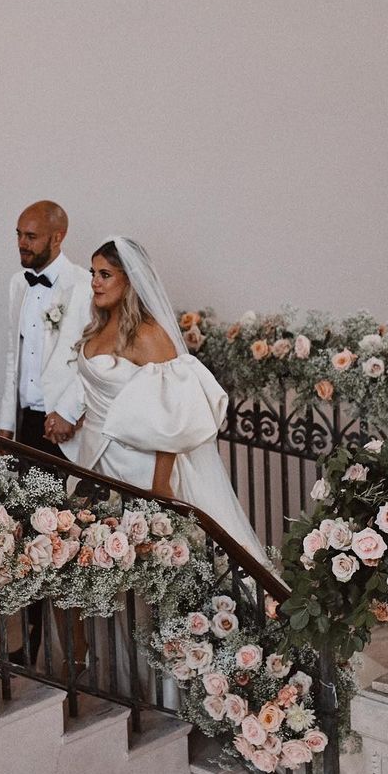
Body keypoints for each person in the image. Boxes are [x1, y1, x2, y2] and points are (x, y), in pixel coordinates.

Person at [71, 236, 269, 569]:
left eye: (105, 274)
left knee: (145, 560)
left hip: (139, 464)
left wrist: (160, 484)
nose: (95, 282)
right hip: (94, 456)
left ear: (130, 280)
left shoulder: (148, 334)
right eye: (93, 273)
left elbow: (173, 412)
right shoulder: (98, 327)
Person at [0, 200, 90, 661]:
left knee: (60, 535)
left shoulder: (82, 285)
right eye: (18, 234)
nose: (21, 243)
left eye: (30, 236)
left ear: (58, 237)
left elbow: (89, 360)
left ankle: (75, 653)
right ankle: (31, 643)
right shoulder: (18, 284)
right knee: (25, 530)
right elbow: (12, 358)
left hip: (61, 429)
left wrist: (68, 413)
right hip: (26, 423)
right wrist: (4, 423)